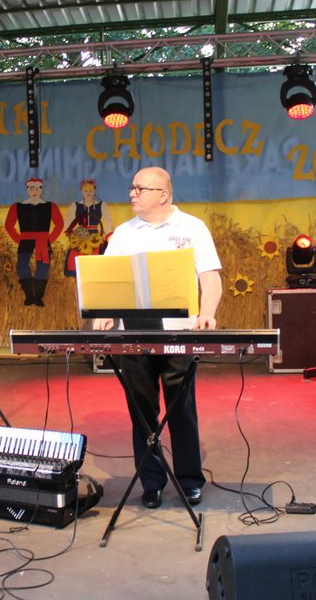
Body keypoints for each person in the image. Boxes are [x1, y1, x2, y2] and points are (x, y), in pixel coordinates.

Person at [96, 167, 222, 508]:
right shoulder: (124, 233)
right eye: (132, 187)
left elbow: (210, 277)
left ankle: (189, 480)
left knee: (181, 408)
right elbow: (108, 281)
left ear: (163, 194)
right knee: (142, 410)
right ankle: (151, 482)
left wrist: (207, 312)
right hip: (135, 333)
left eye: (140, 188)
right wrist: (106, 313)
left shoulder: (192, 228)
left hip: (179, 332)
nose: (132, 193)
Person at [4, 177, 64, 306]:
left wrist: (49, 239)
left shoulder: (50, 206)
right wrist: (18, 238)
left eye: (37, 188)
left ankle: (38, 296)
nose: (34, 191)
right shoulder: (17, 207)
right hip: (25, 239)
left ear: (41, 189)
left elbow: (59, 224)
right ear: (27, 189)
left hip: (43, 240)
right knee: (22, 266)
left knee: (43, 267)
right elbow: (9, 225)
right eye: (32, 188)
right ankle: (29, 295)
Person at [63, 178, 112, 276]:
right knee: (76, 262)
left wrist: (106, 238)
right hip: (80, 237)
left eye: (90, 190)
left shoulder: (101, 205)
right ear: (81, 191)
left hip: (95, 238)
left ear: (94, 190)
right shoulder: (75, 205)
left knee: (96, 263)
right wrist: (75, 234)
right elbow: (68, 223)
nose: (88, 193)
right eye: (85, 190)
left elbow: (108, 223)